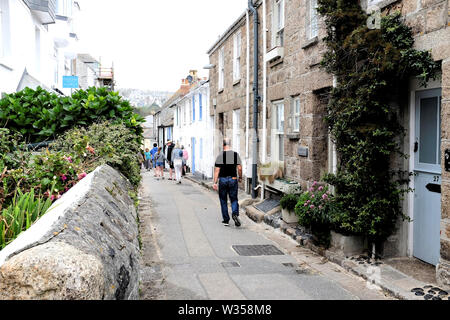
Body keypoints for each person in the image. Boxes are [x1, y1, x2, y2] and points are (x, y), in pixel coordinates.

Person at [213, 138, 242, 227]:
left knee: (223, 200)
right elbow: (239, 168)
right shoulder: (235, 155)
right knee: (233, 199)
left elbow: (217, 170)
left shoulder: (220, 156)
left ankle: (226, 220)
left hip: (223, 180)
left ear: (223, 145)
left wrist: (215, 182)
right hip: (233, 179)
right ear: (230, 145)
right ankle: (235, 213)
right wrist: (240, 177)